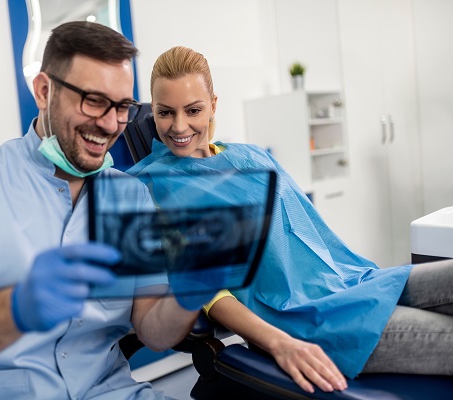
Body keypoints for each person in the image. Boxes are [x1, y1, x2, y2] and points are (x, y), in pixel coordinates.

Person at [0, 24, 215, 400]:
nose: (110, 123)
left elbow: (152, 330)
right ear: (43, 91)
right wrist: (18, 307)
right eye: (93, 101)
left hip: (107, 392)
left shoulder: (130, 198)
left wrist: (191, 289)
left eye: (122, 107)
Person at [127, 45, 453, 394]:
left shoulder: (250, 156)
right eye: (165, 113)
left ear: (213, 106)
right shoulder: (150, 188)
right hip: (311, 319)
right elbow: (208, 293)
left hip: (359, 281)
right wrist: (279, 343)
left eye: (193, 110)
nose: (179, 126)